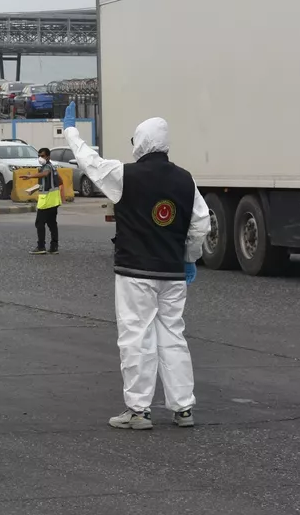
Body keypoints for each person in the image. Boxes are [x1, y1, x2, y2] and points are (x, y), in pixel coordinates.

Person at [60, 101, 211, 430]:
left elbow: (90, 162)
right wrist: (189, 258)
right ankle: (183, 408)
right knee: (173, 335)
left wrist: (71, 131)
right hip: (172, 273)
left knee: (136, 336)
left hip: (135, 273)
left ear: (141, 143)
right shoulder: (186, 180)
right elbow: (201, 225)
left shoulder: (124, 175)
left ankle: (139, 410)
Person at [22, 147, 62, 254]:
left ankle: (41, 247)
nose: (40, 158)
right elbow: (58, 181)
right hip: (54, 200)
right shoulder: (53, 168)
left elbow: (45, 174)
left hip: (47, 201)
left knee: (39, 223)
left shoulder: (47, 167)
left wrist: (30, 176)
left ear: (48, 156)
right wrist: (33, 189)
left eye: (42, 156)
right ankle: (54, 247)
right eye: (39, 156)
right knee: (52, 223)